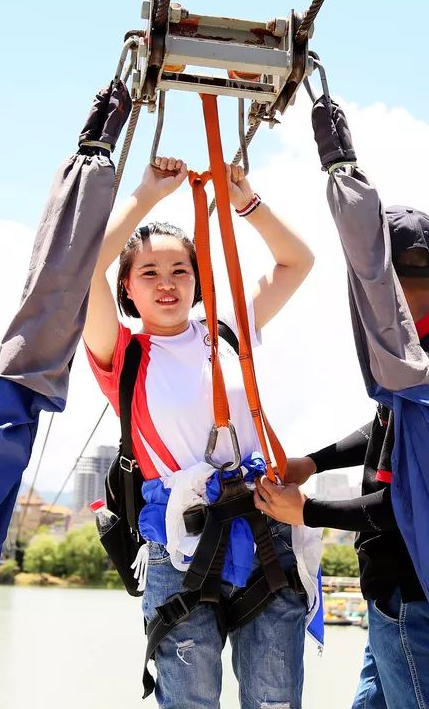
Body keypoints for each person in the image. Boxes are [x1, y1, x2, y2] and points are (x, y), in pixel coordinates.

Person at [83, 156, 317, 708]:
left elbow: (296, 262)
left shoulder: (229, 332)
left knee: (275, 701)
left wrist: (246, 203)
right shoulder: (124, 354)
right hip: (180, 544)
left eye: (180, 271)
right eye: (149, 273)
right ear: (127, 288)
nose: (166, 284)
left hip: (262, 530)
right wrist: (146, 196)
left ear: (198, 279)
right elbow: (83, 267)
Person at [256, 201, 429, 708]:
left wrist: (307, 511)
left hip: (411, 593)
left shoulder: (426, 372)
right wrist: (315, 462)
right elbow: (392, 426)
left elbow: (403, 506)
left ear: (378, 281)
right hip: (421, 588)